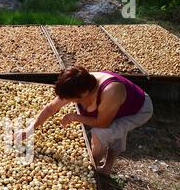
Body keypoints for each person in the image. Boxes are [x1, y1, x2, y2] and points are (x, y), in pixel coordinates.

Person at [15, 66, 153, 175]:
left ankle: (92, 170)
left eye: (71, 99)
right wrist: (29, 129)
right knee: (115, 132)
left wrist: (75, 117)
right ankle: (106, 169)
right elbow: (51, 108)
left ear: (84, 93)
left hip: (138, 110)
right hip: (115, 106)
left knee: (100, 134)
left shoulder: (110, 91)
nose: (67, 101)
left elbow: (102, 123)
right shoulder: (77, 84)